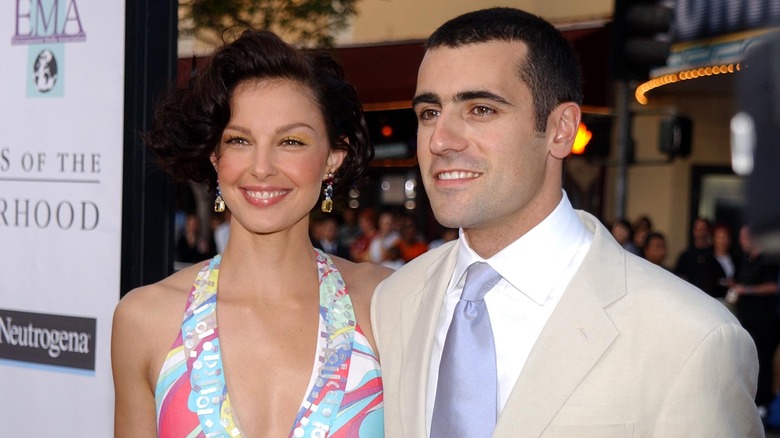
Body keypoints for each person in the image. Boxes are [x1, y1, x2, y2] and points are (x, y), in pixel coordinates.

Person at [371, 7, 762, 437]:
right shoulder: (395, 302)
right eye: (429, 112)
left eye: (481, 109)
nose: (440, 140)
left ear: (561, 130)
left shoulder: (691, 338)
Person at [111, 30, 390, 438]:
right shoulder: (145, 320)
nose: (261, 167)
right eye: (239, 140)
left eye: (291, 141)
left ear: (333, 158)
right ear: (214, 156)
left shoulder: (386, 305)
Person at [729, 225, 780, 415]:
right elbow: (741, 281)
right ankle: (747, 400)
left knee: (762, 360)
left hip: (764, 319)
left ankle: (762, 403)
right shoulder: (745, 259)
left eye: (744, 237)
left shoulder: (769, 259)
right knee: (745, 357)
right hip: (746, 317)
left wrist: (747, 290)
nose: (741, 241)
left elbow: (774, 286)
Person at [674, 217, 725, 298]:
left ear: (708, 231)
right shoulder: (686, 255)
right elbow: (678, 278)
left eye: (703, 230)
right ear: (693, 231)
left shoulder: (715, 254)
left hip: (712, 298)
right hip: (690, 297)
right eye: (698, 229)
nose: (700, 233)